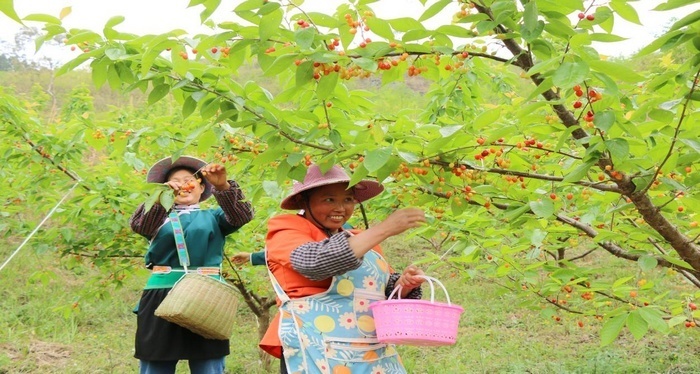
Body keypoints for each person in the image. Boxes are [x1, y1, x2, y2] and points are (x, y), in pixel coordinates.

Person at [259, 164, 427, 374]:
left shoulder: (363, 239)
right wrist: (384, 229)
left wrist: (404, 286)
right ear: (304, 201)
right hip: (315, 348)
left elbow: (384, 295)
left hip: (372, 354)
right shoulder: (287, 229)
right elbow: (313, 263)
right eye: (329, 199)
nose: (341, 208)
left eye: (348, 200)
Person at [129, 155, 254, 374]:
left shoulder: (214, 217)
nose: (182, 185)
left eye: (188, 180)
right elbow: (140, 225)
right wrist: (161, 197)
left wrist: (223, 186)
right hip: (161, 294)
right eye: (174, 181)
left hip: (205, 294)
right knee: (156, 363)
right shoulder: (157, 217)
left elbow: (242, 215)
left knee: (209, 364)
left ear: (201, 186)